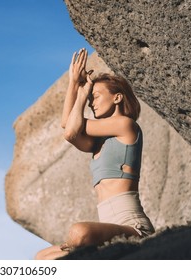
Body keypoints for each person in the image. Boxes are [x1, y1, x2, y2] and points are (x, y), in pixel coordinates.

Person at [35, 48, 155, 260]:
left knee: (79, 233)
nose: (91, 102)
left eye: (96, 96)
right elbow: (68, 126)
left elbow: (71, 131)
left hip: (133, 226)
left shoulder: (126, 126)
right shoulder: (97, 142)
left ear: (117, 98)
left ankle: (78, 245)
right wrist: (74, 83)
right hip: (107, 228)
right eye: (90, 98)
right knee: (42, 258)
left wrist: (81, 93)